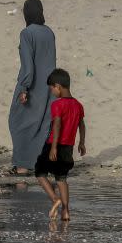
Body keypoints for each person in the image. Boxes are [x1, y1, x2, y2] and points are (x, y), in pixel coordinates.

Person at [6, 0, 57, 177]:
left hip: (32, 85)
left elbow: (28, 66)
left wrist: (24, 89)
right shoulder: (49, 32)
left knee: (17, 122)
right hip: (50, 87)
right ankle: (40, 164)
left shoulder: (27, 33)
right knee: (41, 125)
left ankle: (22, 166)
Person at [35, 68, 85, 221]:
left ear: (58, 86)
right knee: (61, 178)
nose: (52, 92)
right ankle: (66, 211)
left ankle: (54, 199)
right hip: (68, 148)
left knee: (40, 172)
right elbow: (81, 125)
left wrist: (54, 147)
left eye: (52, 89)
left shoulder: (57, 104)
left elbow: (57, 124)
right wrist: (82, 143)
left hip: (53, 145)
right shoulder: (78, 105)